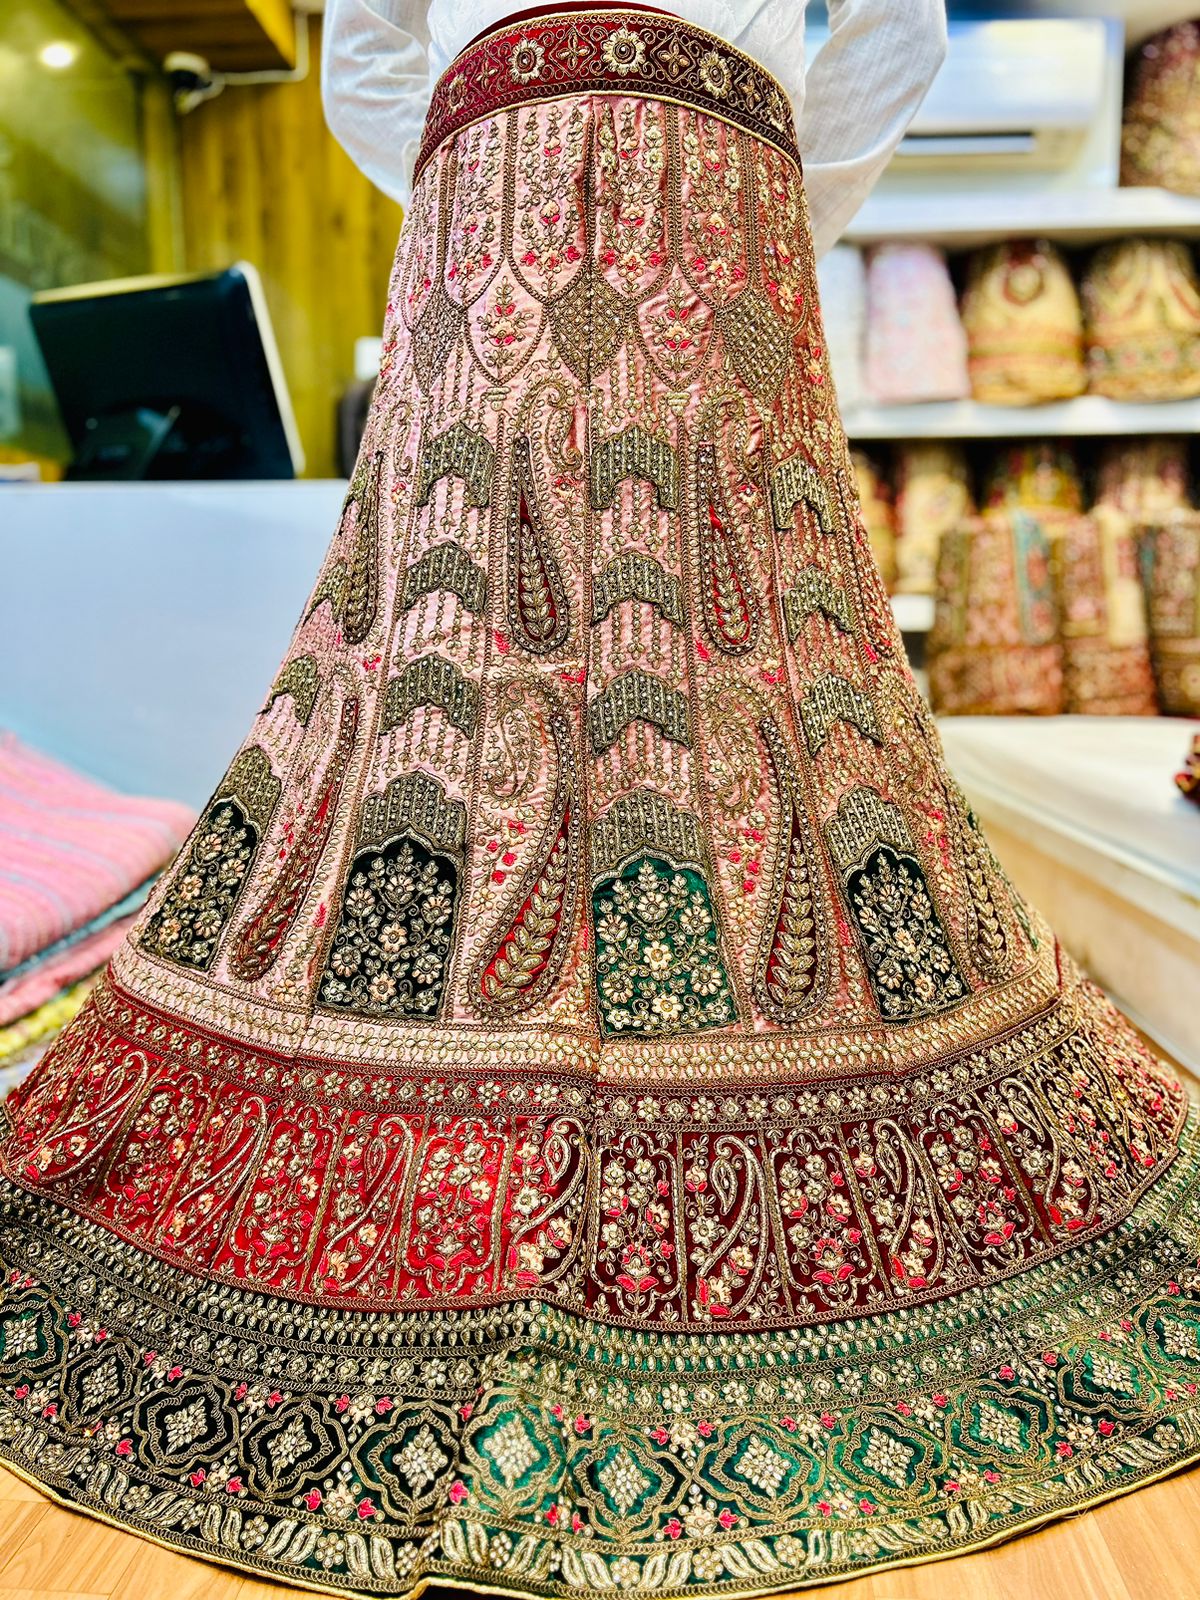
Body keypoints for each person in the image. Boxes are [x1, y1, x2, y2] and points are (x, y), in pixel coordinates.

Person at [3, 5, 1199, 1597]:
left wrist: (485, 148)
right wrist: (769, 171)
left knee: (464, 653)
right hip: (697, 193)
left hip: (521, 190)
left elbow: (373, 55)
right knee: (709, 649)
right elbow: (892, 36)